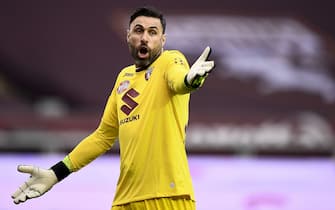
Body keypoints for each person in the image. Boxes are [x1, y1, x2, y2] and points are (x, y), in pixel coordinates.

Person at [11, 6, 215, 210]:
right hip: (125, 200)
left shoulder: (170, 60)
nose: (145, 37)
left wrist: (191, 80)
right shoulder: (123, 78)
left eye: (153, 32)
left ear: (163, 40)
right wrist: (57, 173)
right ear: (128, 36)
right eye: (138, 30)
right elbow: (102, 136)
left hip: (168, 197)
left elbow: (178, 80)